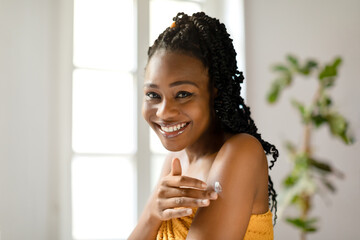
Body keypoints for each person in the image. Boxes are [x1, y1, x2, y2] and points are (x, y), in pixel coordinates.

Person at [129, 12, 278, 240]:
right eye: (153, 94)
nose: (163, 112)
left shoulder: (240, 152)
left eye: (183, 94)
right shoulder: (176, 160)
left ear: (214, 92)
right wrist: (151, 213)